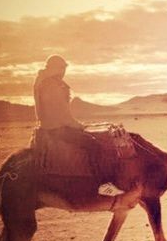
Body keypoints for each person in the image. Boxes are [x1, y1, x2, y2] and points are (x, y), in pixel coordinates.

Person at [32, 54, 140, 210]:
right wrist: (78, 126)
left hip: (51, 126)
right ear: (56, 68)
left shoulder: (43, 82)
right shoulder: (52, 85)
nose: (64, 71)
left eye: (64, 68)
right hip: (57, 128)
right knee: (93, 145)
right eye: (62, 68)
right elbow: (61, 112)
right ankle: (104, 186)